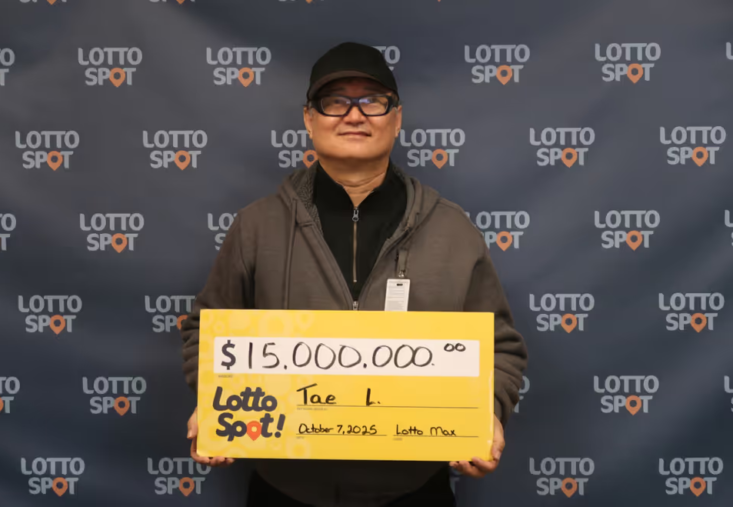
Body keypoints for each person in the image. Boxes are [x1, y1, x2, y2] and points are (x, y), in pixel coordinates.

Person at [181, 41, 528, 507]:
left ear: (396, 118)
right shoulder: (256, 226)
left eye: (373, 100)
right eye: (335, 101)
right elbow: (206, 332)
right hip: (285, 490)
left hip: (413, 491)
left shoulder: (453, 229)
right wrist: (215, 398)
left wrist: (487, 410)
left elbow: (500, 347)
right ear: (309, 119)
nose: (354, 114)